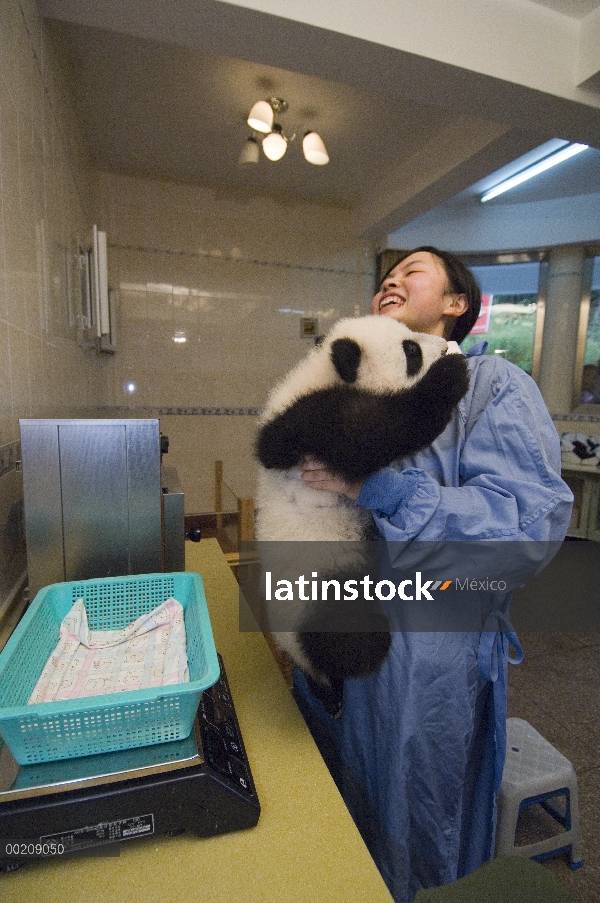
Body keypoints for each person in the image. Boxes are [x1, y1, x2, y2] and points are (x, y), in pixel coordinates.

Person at [293, 247, 574, 903]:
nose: (391, 277)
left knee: (415, 823)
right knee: (342, 801)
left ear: (456, 305)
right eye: (385, 275)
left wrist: (391, 492)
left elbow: (526, 521)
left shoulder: (490, 386)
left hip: (424, 655)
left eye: (413, 269)